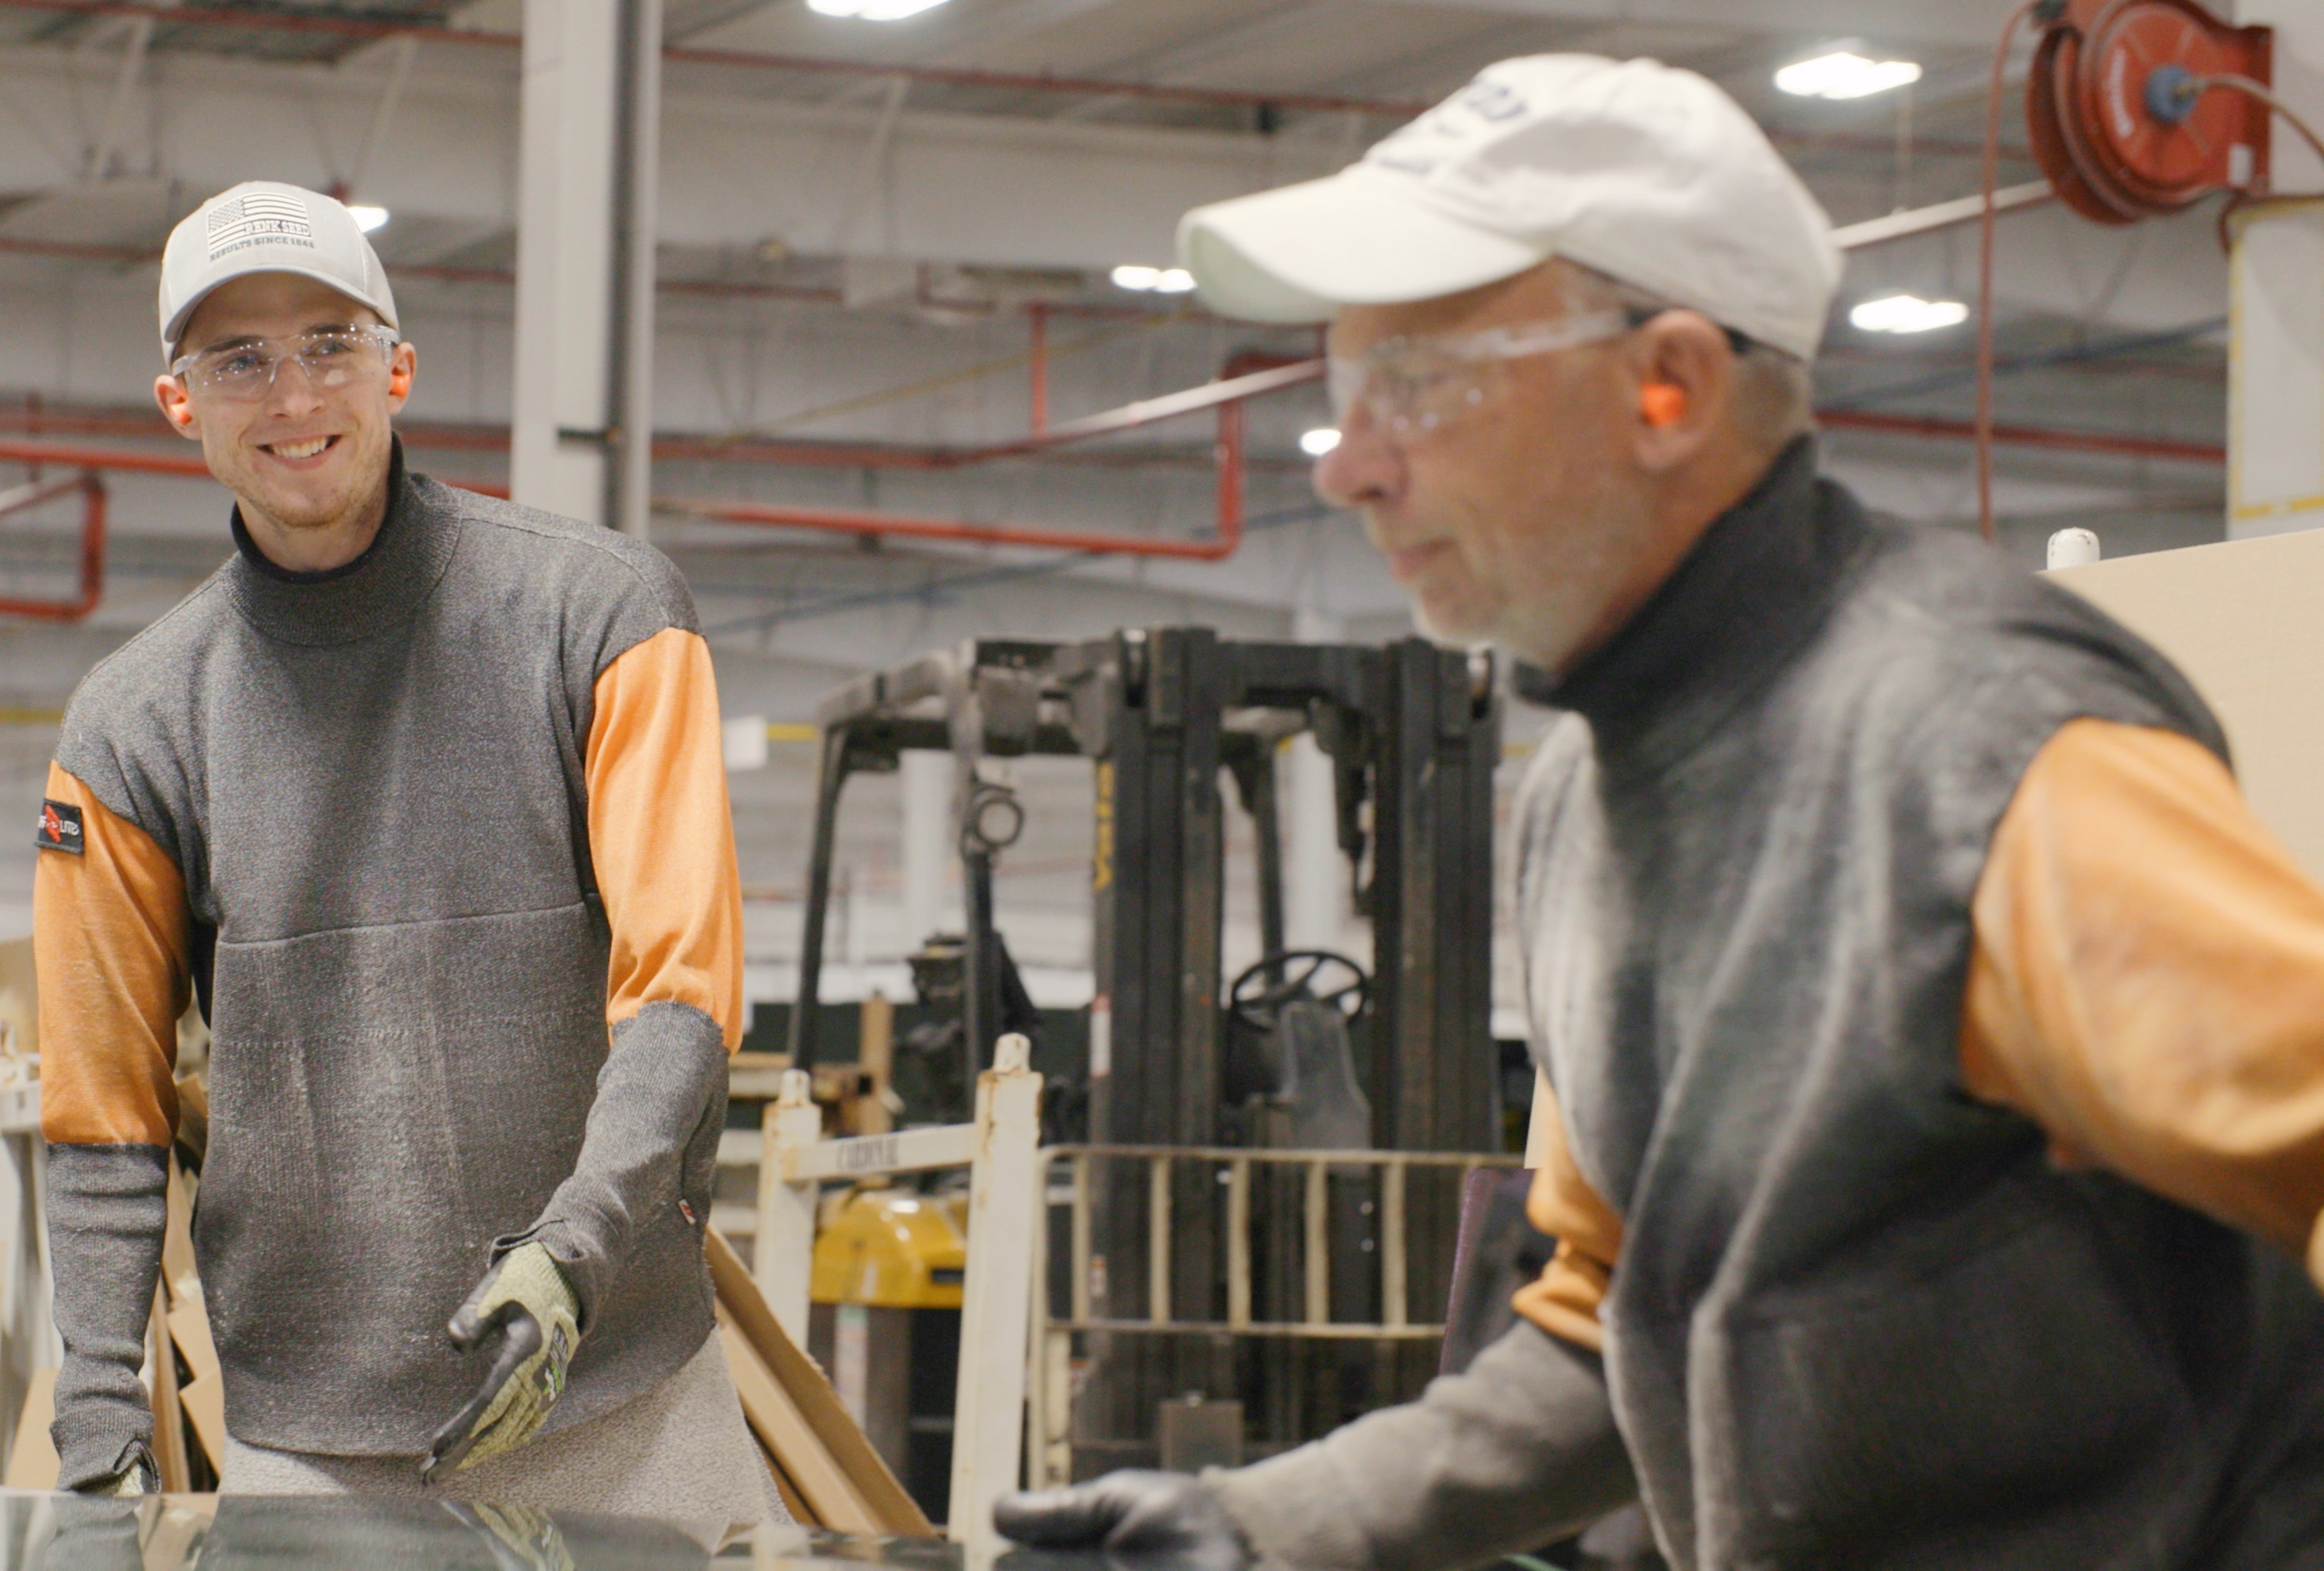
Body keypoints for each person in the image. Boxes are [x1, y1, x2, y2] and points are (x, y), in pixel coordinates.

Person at [995, 53, 2324, 1570]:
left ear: (1667, 385)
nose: (1353, 466)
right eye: (1340, 397)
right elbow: (1614, 1323)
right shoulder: (1582, 797)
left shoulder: (1977, 757)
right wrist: (1271, 1518)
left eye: (1413, 389)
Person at [28, 180, 782, 1523]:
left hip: (623, 1400)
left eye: (330, 343)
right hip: (310, 1451)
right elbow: (101, 1121)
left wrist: (575, 1254)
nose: (294, 394)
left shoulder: (603, 615)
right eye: (240, 359)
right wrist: (98, 1420)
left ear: (400, 367)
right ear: (180, 403)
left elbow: (679, 996)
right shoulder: (132, 726)